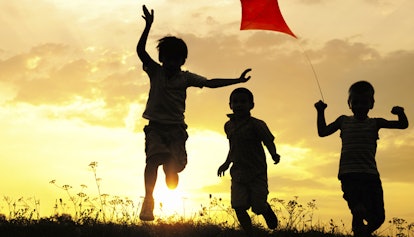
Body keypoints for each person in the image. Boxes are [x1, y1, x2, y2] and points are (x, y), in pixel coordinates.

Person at [137, 5, 252, 221]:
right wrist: (148, 26)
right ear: (162, 59)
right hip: (155, 127)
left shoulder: (186, 78)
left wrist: (237, 80)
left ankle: (171, 171)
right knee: (152, 161)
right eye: (168, 59)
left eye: (176, 60)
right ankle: (148, 199)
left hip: (177, 131)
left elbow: (210, 83)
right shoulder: (156, 72)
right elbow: (141, 53)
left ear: (182, 61)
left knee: (174, 171)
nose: (171, 63)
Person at [314, 81, 408, 237]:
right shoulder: (343, 121)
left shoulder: (375, 123)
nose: (359, 106)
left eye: (364, 102)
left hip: (370, 175)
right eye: (355, 102)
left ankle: (361, 232)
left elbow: (402, 125)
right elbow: (322, 131)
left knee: (378, 218)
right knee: (358, 209)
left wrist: (400, 112)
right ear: (349, 104)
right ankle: (359, 230)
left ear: (371, 104)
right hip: (349, 174)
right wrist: (320, 111)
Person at [217, 87, 280, 237]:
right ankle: (249, 233)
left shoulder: (257, 124)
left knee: (257, 206)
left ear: (251, 105)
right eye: (235, 102)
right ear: (230, 105)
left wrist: (274, 154)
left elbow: (268, 140)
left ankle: (265, 209)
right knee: (238, 205)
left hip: (256, 172)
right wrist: (226, 163)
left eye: (243, 102)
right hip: (238, 173)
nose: (239, 105)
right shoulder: (228, 125)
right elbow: (233, 147)